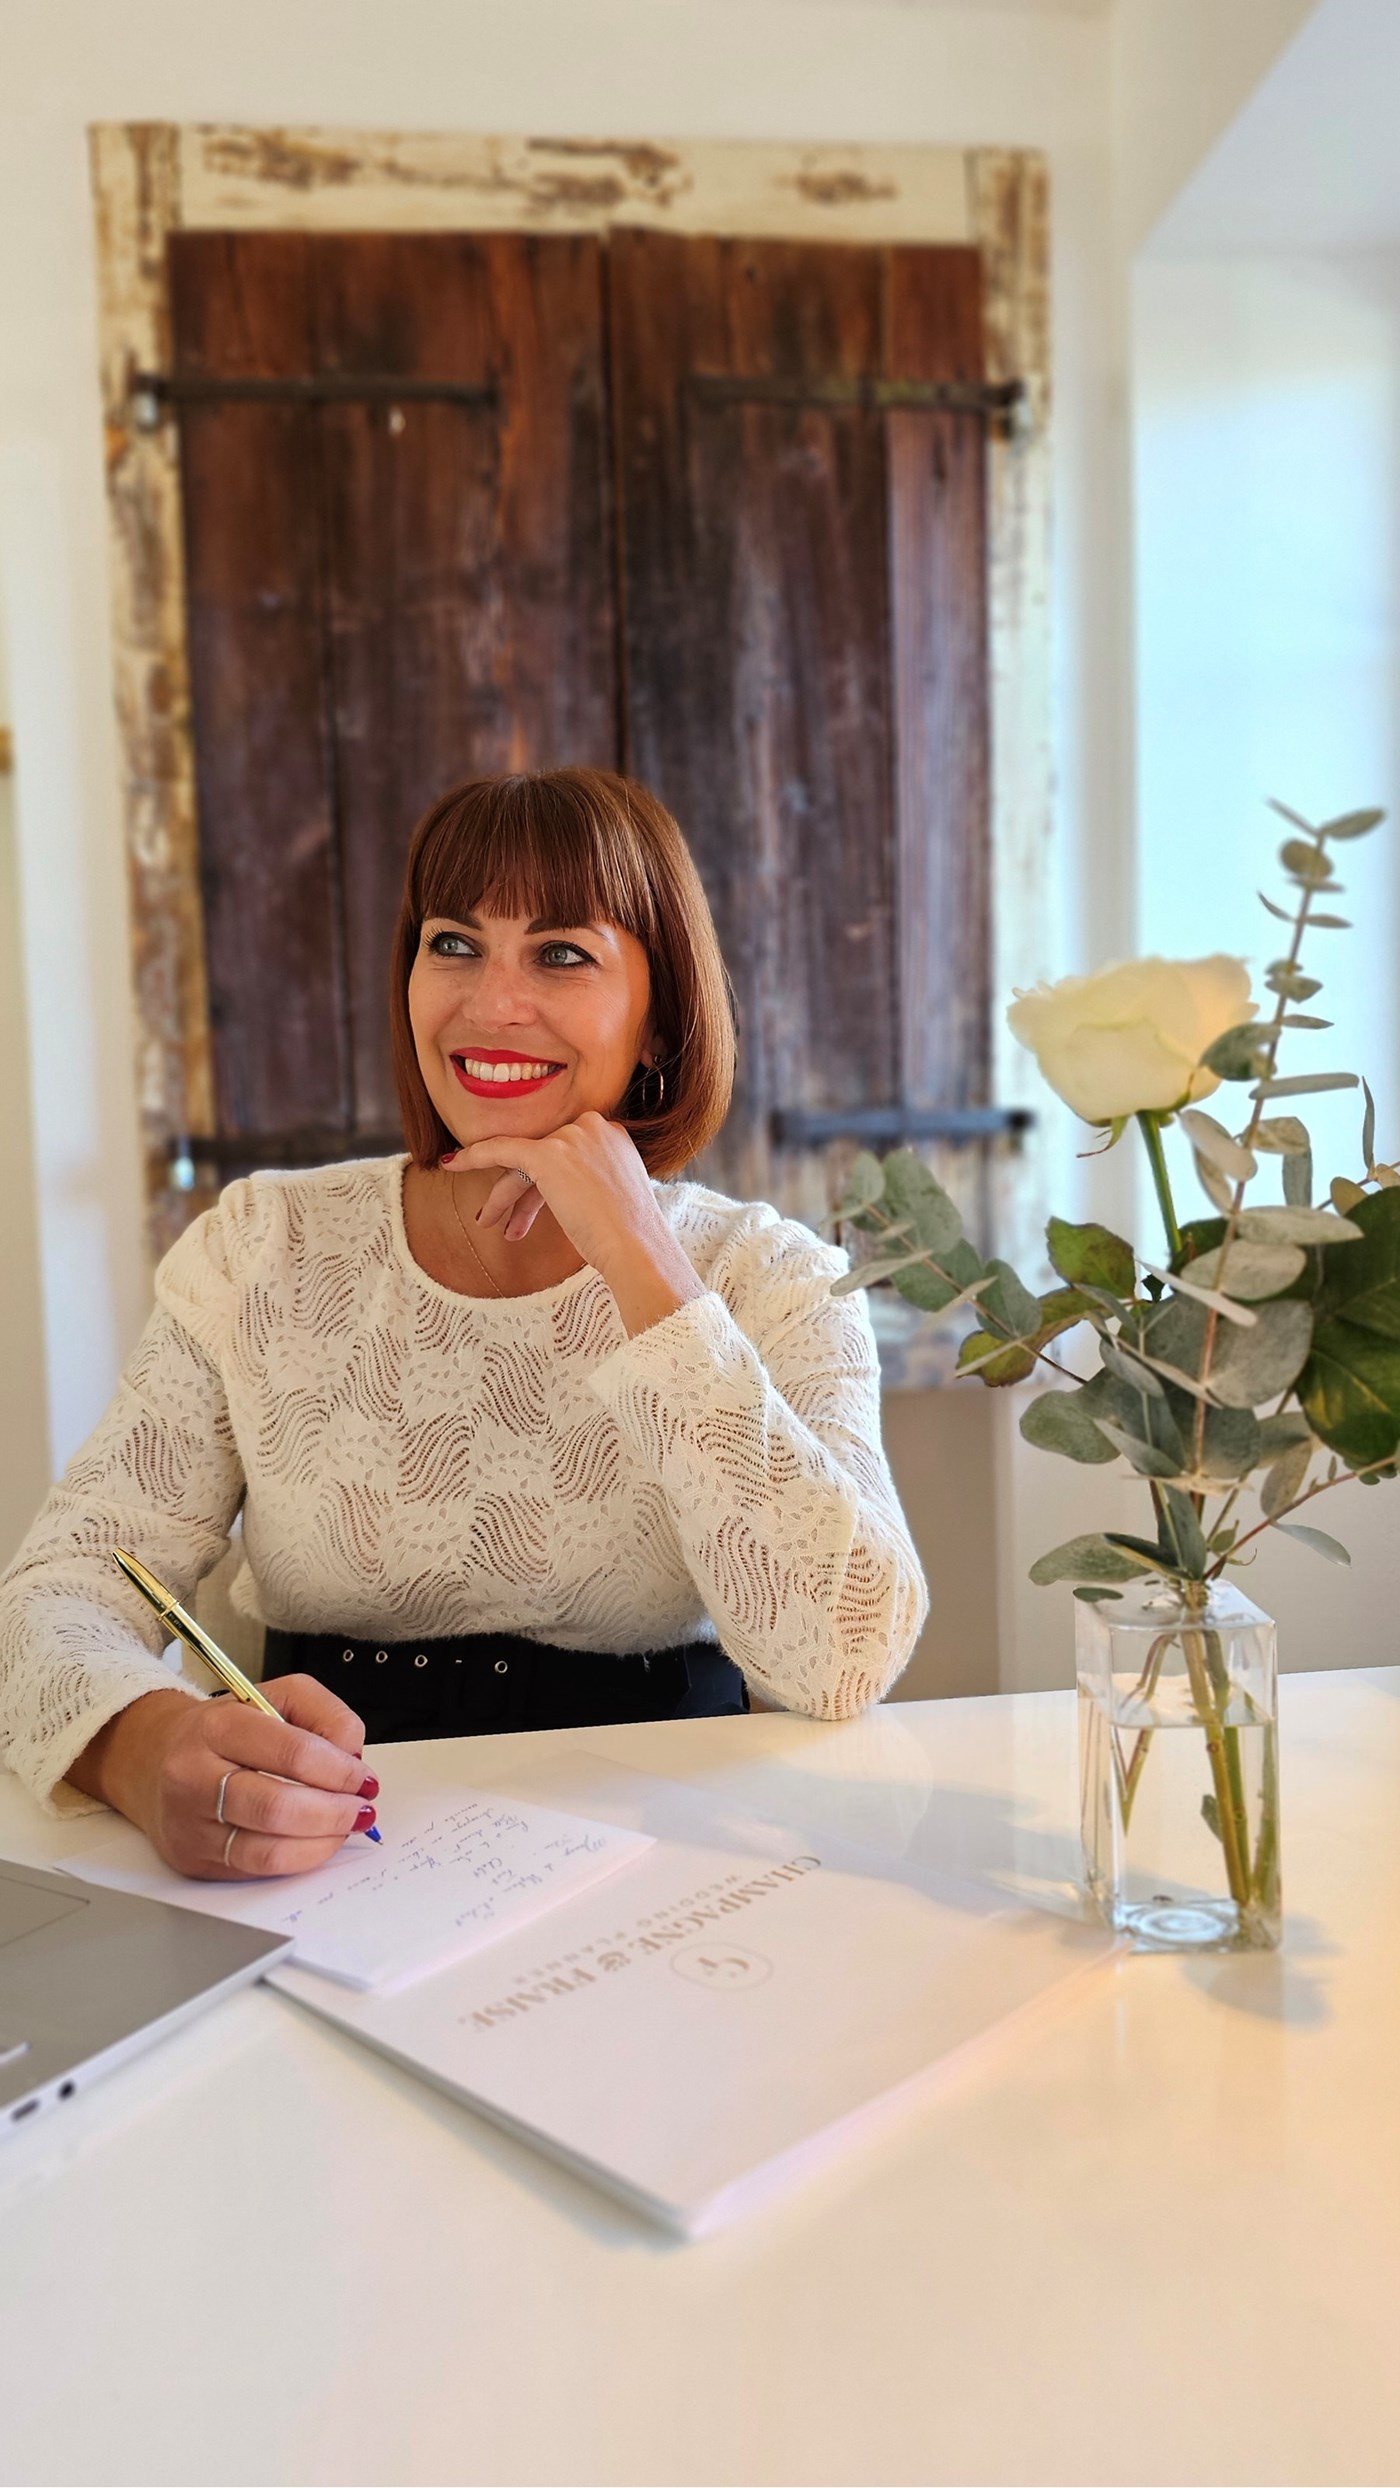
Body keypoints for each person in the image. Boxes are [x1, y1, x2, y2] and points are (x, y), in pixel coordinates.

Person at [0, 769, 929, 1880]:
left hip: (673, 1878)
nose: (490, 1004)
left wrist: (640, 1257)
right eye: (453, 944)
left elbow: (842, 1655)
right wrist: (141, 1749)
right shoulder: (261, 1248)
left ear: (659, 1014)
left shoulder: (769, 1276)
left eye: (561, 952)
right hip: (316, 1871)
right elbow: (57, 1594)